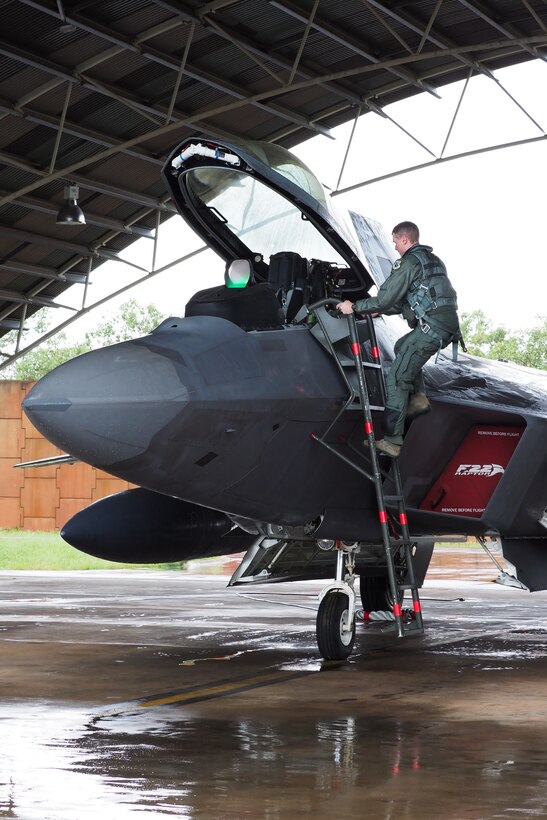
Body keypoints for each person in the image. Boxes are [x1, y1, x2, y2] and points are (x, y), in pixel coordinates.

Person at [337, 221, 460, 458]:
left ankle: (393, 441)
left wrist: (354, 306)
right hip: (442, 325)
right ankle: (420, 398)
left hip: (431, 328)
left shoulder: (408, 263)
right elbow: (413, 300)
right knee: (402, 346)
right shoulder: (431, 261)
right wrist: (377, 311)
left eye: (395, 241)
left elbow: (385, 297)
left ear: (405, 239)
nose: (393, 247)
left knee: (396, 379)